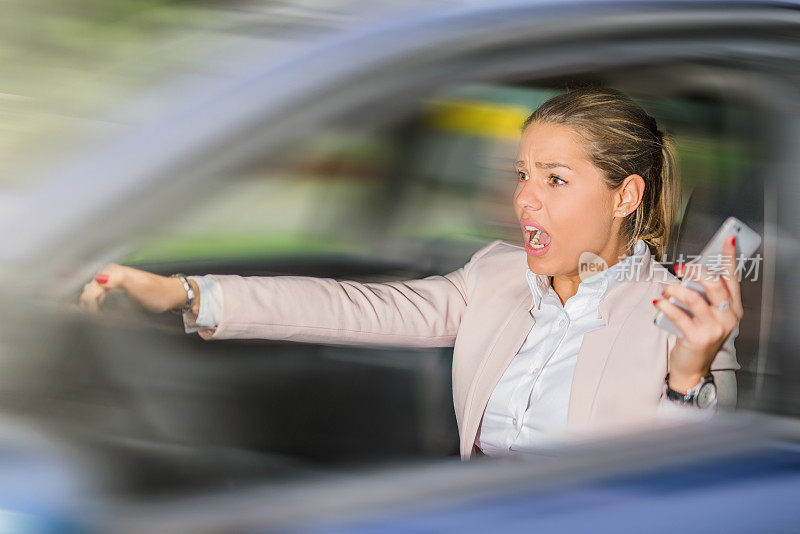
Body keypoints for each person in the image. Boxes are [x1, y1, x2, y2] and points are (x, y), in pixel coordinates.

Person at [80, 87, 742, 460]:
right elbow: (352, 308)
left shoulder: (688, 314)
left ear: (624, 196)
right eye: (522, 176)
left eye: (555, 180)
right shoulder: (494, 275)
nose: (524, 200)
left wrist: (688, 376)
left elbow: (703, 485)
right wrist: (186, 292)